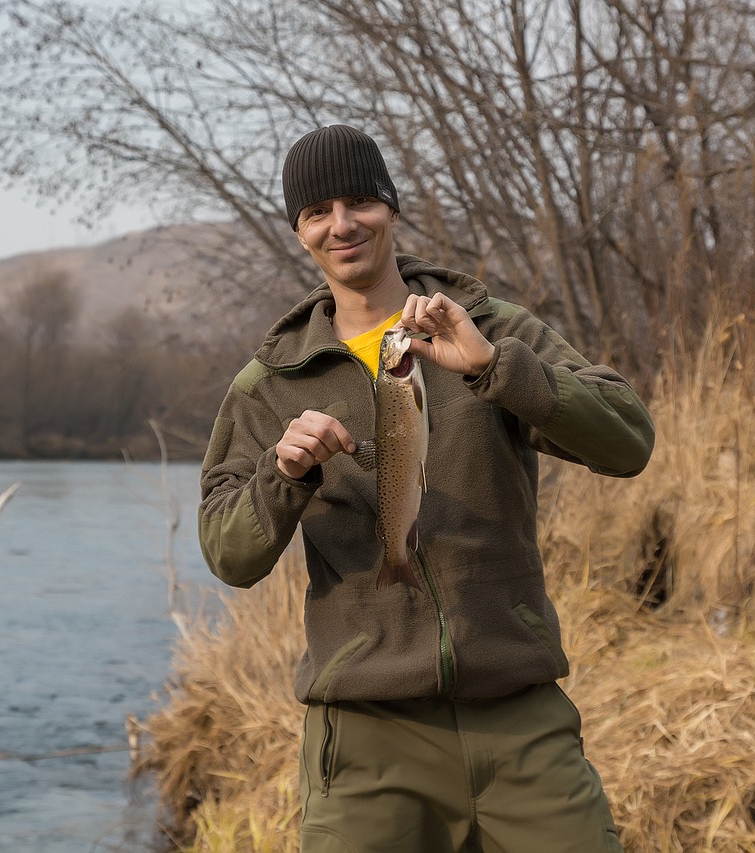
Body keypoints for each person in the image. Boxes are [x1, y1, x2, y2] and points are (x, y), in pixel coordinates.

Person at [198, 124, 654, 853]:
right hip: (368, 743)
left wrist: (495, 367)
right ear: (300, 232)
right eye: (318, 211)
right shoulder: (269, 384)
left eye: (358, 202)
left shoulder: (491, 328)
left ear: (390, 207)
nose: (342, 224)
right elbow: (228, 554)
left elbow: (630, 441)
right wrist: (280, 476)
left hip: (522, 723)